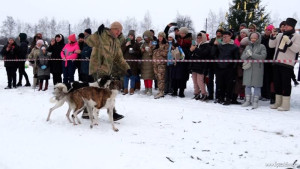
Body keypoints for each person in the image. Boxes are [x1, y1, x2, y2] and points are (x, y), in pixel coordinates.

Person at [85, 22, 131, 121]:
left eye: (120, 31)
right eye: (117, 30)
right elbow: (89, 42)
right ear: (112, 29)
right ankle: (112, 113)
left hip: (107, 70)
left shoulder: (116, 42)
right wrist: (97, 33)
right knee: (103, 91)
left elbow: (119, 58)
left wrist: (127, 68)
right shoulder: (102, 35)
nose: (119, 32)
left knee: (98, 92)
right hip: (97, 68)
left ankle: (86, 111)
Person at [269, 18, 300, 111]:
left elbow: (296, 50)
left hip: (287, 64)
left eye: (287, 25)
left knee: (285, 84)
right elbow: (271, 45)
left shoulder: (296, 36)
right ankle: (278, 102)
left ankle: (286, 104)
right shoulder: (281, 35)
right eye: (284, 25)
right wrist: (273, 36)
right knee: (277, 83)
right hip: (277, 63)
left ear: (292, 26)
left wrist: (289, 42)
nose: (285, 27)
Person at [211, 31, 239, 105]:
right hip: (219, 68)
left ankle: (228, 98)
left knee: (229, 84)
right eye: (223, 36)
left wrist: (233, 68)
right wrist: (214, 46)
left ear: (230, 37)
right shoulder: (219, 46)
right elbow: (213, 54)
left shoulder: (234, 46)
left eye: (226, 36)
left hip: (229, 68)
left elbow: (236, 58)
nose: (225, 38)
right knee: (220, 84)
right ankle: (220, 97)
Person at [241, 32, 267, 109]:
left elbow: (263, 57)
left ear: (258, 39)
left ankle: (255, 101)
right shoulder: (247, 47)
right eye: (251, 38)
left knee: (257, 85)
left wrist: (252, 54)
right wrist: (247, 55)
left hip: (257, 68)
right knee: (247, 85)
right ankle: (247, 100)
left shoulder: (262, 46)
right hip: (248, 68)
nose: (253, 40)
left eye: (255, 38)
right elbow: (242, 57)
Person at [189, 32, 211, 101]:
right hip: (194, 66)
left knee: (200, 81)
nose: (198, 39)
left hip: (201, 66)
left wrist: (195, 49)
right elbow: (192, 55)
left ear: (203, 38)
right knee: (194, 81)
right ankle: (196, 93)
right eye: (197, 38)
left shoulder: (207, 45)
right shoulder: (196, 45)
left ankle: (204, 94)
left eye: (200, 38)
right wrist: (191, 51)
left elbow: (203, 54)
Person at [173, 27, 192, 98]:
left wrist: (182, 50)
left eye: (182, 33)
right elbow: (175, 45)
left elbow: (190, 51)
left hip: (184, 61)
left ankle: (181, 91)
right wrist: (174, 48)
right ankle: (175, 90)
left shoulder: (189, 41)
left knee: (183, 77)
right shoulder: (178, 40)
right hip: (178, 60)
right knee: (175, 76)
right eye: (180, 33)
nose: (181, 34)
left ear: (185, 33)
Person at [121, 30, 141, 95]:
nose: (130, 37)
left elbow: (139, 53)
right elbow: (120, 52)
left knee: (133, 77)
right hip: (126, 63)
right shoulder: (124, 43)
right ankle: (125, 89)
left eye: (132, 36)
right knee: (126, 77)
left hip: (133, 64)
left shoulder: (136, 44)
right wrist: (126, 45)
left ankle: (132, 89)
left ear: (133, 36)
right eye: (129, 35)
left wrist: (134, 52)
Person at [261, 25, 276, 104]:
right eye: (266, 30)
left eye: (269, 30)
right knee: (263, 78)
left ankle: (269, 94)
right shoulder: (262, 38)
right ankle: (263, 93)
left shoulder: (273, 38)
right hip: (263, 60)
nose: (267, 31)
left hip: (271, 61)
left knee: (270, 78)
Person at [208, 29, 224, 100]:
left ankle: (218, 95)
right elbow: (210, 50)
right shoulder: (212, 40)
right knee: (210, 79)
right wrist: (214, 45)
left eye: (220, 33)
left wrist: (218, 45)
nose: (218, 34)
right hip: (211, 63)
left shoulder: (223, 41)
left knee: (218, 80)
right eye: (217, 33)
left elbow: (222, 51)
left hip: (219, 63)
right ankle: (210, 94)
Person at [153, 32, 169, 99]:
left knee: (161, 78)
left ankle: (161, 92)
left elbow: (165, 53)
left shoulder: (166, 44)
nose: (159, 38)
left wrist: (158, 51)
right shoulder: (156, 44)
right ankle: (160, 90)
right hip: (155, 63)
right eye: (159, 36)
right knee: (157, 77)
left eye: (161, 36)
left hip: (161, 64)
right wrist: (151, 47)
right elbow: (151, 52)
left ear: (163, 37)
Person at [140, 30, 155, 96]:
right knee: (145, 76)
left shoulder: (153, 43)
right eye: (144, 36)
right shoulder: (143, 44)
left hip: (150, 61)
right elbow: (140, 52)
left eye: (146, 36)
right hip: (144, 61)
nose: (145, 38)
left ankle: (150, 89)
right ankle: (146, 88)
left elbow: (154, 52)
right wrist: (142, 50)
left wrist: (150, 49)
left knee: (149, 76)